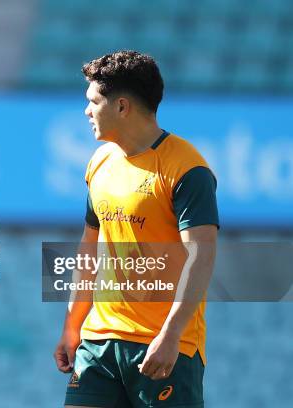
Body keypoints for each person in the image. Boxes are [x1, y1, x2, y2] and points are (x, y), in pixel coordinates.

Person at [54, 51, 218, 407]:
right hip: (98, 344)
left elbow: (200, 258)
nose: (86, 111)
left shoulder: (187, 169)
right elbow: (89, 249)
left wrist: (172, 335)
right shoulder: (99, 163)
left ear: (122, 106)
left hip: (163, 347)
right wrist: (72, 325)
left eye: (93, 102)